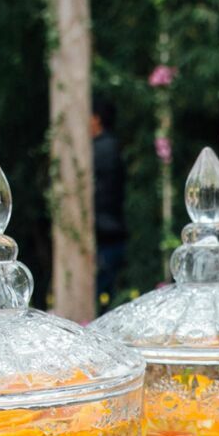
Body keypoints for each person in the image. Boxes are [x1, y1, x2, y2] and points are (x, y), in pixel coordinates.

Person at [91, 95, 129, 303]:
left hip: (104, 233)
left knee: (101, 295)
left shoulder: (100, 150)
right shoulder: (111, 147)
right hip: (112, 230)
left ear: (96, 119)